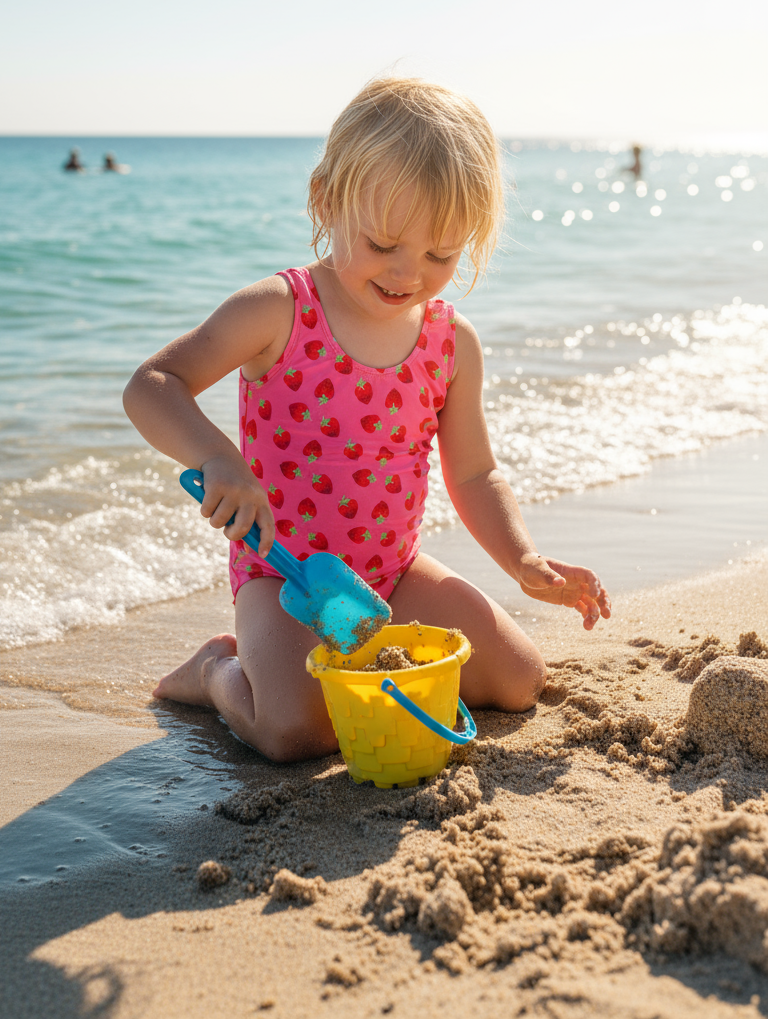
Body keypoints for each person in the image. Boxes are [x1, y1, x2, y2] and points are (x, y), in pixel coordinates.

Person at [123, 77, 611, 763]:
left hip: (392, 574)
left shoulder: (450, 343)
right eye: (384, 243)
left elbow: (473, 472)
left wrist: (523, 559)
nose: (409, 272)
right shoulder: (278, 310)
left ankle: (357, 669)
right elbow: (152, 385)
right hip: (283, 577)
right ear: (328, 200)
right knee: (297, 732)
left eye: (442, 254)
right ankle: (216, 672)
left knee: (517, 679)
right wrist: (219, 459)